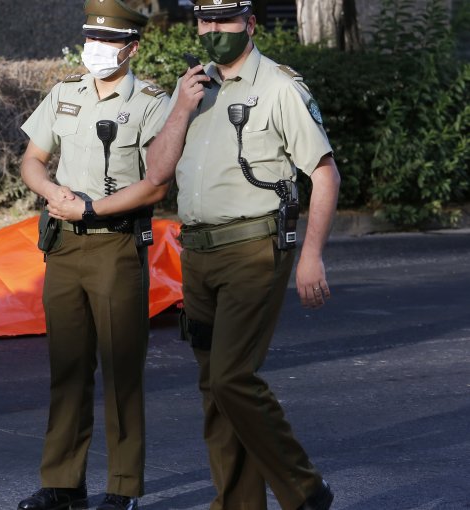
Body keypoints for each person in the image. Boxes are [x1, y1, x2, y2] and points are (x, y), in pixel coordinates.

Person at [144, 1, 340, 509]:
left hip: (255, 250)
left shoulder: (279, 86)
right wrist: (182, 108)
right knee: (214, 387)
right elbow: (157, 172)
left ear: (249, 24)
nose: (214, 30)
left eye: (226, 21)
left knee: (232, 377)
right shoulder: (192, 89)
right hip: (198, 254)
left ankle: (305, 492)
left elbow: (323, 173)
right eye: (206, 21)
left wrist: (311, 256)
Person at [16, 1, 172, 509]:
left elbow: (156, 186)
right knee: (67, 368)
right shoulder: (65, 93)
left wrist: (92, 208)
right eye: (92, 39)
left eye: (107, 42)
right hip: (62, 247)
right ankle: (63, 483)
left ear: (131, 47)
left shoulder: (152, 102)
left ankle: (122, 488)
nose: (97, 49)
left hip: (116, 246)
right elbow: (32, 159)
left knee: (121, 370)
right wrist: (50, 191)